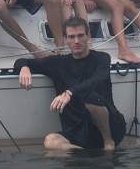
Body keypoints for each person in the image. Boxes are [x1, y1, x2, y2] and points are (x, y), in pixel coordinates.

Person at [14, 17, 127, 151]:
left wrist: (70, 93)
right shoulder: (58, 63)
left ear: (88, 36)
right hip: (78, 132)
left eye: (80, 36)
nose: (76, 41)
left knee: (90, 97)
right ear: (66, 39)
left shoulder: (102, 58)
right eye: (71, 37)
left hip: (110, 127)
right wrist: (24, 68)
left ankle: (109, 144)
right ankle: (84, 154)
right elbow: (21, 61)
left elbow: (97, 79)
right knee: (50, 142)